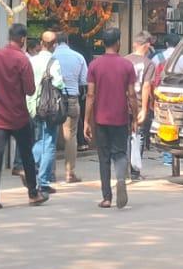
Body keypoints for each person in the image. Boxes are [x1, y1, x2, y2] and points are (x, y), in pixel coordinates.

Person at [0, 25, 49, 210]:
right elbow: (30, 89)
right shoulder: (22, 59)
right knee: (26, 155)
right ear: (23, 39)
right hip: (18, 115)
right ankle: (33, 194)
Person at [85, 28, 138, 209]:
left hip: (101, 118)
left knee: (104, 157)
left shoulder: (94, 65)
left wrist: (86, 120)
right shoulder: (126, 65)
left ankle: (106, 197)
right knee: (120, 153)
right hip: (120, 117)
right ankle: (121, 179)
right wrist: (136, 117)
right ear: (118, 43)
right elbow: (131, 95)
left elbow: (90, 95)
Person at [52, 30, 88, 183]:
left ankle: (50, 173)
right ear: (67, 41)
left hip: (53, 100)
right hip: (72, 98)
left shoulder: (51, 57)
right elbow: (84, 80)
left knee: (50, 136)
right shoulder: (78, 57)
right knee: (71, 136)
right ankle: (69, 173)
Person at [28, 29, 61, 192]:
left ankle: (26, 165)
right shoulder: (53, 62)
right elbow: (59, 83)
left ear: (41, 43)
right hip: (48, 107)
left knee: (39, 139)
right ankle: (43, 181)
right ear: (54, 45)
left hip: (33, 105)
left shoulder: (31, 61)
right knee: (48, 142)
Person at [128, 32, 157, 182]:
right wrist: (145, 108)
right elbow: (146, 86)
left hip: (125, 103)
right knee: (138, 136)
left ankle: (126, 168)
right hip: (139, 103)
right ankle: (135, 171)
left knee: (126, 136)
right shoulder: (148, 64)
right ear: (146, 45)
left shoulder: (125, 60)